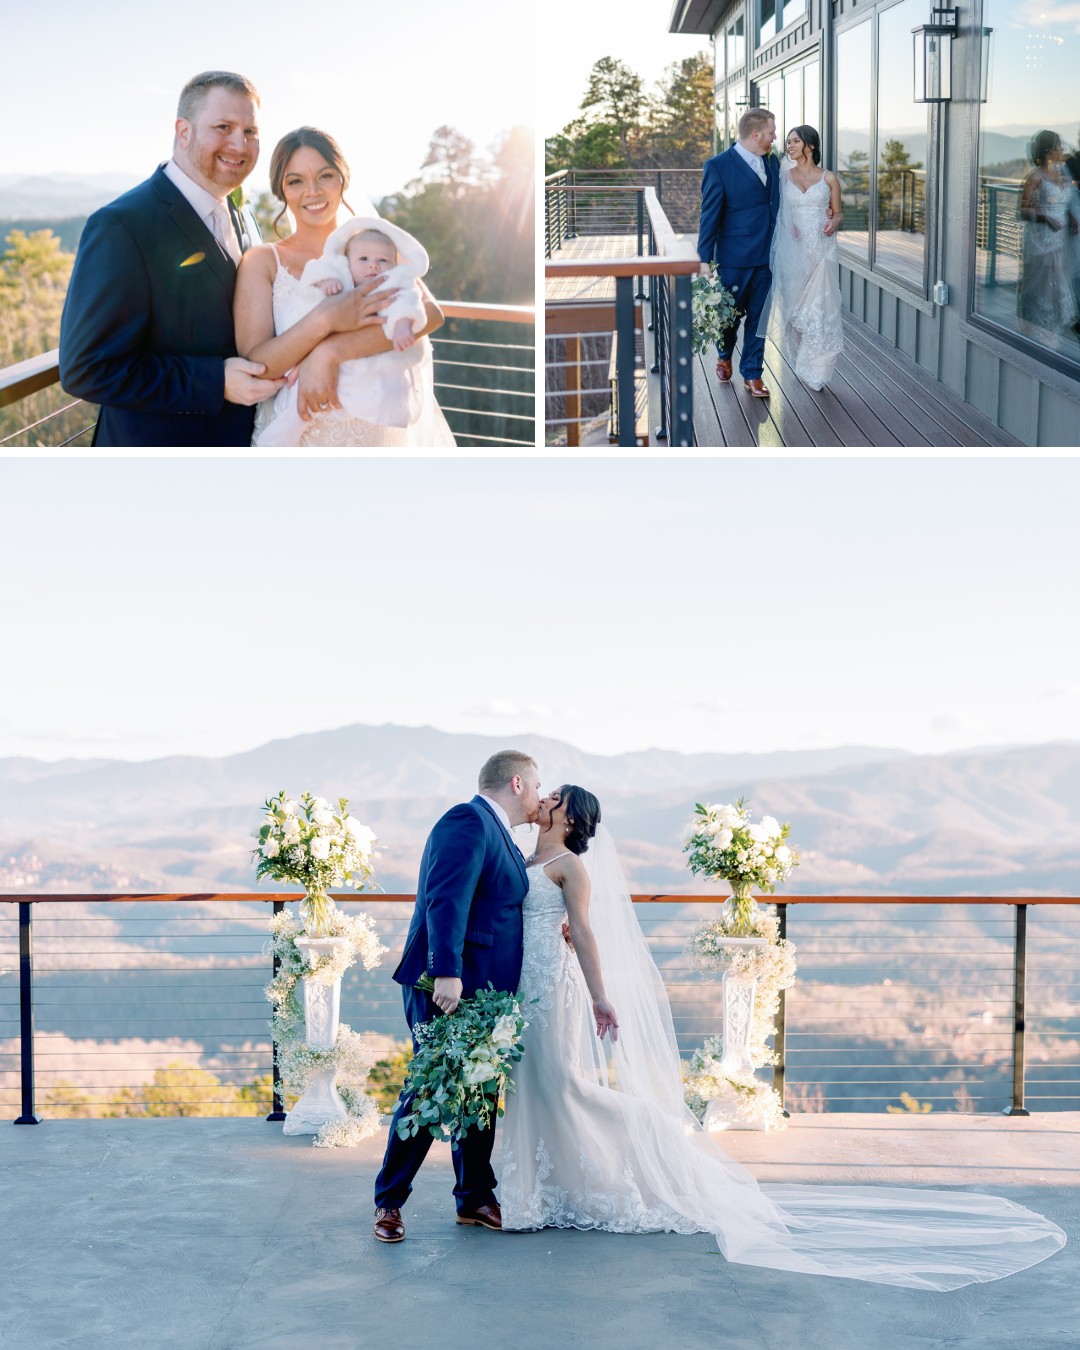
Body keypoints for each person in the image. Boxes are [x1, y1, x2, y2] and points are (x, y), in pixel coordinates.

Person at [498, 785, 1066, 1290]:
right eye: (546, 797)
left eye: (556, 800)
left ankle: (654, 1138)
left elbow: (589, 933)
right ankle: (551, 1189)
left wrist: (600, 996)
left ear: (572, 819)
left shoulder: (571, 866)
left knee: (562, 1083)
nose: (544, 800)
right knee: (536, 1085)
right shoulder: (529, 854)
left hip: (557, 990)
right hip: (525, 985)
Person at [59, 70, 284, 447]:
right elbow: (88, 369)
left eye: (250, 132)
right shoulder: (121, 225)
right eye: (224, 127)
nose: (240, 145)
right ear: (183, 131)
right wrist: (215, 381)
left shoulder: (241, 214)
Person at [372, 750, 542, 1243]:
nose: (538, 796)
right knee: (431, 1088)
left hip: (487, 991)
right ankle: (389, 1202)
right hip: (448, 986)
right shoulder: (466, 820)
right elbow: (447, 898)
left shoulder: (501, 834)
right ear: (516, 784)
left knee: (480, 1089)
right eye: (536, 786)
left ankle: (474, 1198)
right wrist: (445, 972)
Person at [233, 127, 446, 448]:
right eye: (296, 181)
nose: (313, 191)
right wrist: (325, 320)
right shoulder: (263, 261)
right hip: (300, 440)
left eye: (325, 176)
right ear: (281, 189)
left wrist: (329, 353)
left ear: (343, 178)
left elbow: (429, 312)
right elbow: (258, 365)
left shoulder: (371, 246)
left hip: (373, 431)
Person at [252, 216, 453, 447]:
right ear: (349, 261)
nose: (373, 265)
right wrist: (326, 285)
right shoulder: (338, 270)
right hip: (304, 370)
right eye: (364, 259)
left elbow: (416, 306)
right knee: (296, 402)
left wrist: (402, 326)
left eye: (383, 260)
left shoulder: (391, 281)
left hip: (362, 372)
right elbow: (311, 295)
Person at [696, 108, 781, 399]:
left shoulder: (773, 161)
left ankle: (753, 374)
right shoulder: (718, 166)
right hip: (734, 257)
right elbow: (709, 215)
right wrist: (704, 259)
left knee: (759, 318)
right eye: (771, 132)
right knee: (729, 317)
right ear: (756, 135)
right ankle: (723, 354)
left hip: (768, 257)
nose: (775, 137)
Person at [759, 125, 844, 391]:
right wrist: (787, 224)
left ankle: (819, 369)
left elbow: (839, 214)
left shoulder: (829, 178)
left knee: (821, 310)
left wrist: (834, 223)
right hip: (793, 252)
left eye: (796, 141)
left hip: (822, 251)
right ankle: (800, 360)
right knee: (795, 311)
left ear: (811, 146)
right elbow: (774, 209)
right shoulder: (783, 176)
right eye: (788, 141)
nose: (790, 145)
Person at [1018, 130, 1076, 337]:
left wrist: (1071, 217)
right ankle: (1035, 327)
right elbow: (1023, 210)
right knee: (1041, 283)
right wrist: (1046, 219)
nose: (1062, 150)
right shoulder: (1035, 177)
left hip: (1060, 237)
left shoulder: (1061, 173)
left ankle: (1055, 327)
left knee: (1058, 280)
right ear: (1048, 151)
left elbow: (1064, 200)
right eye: (1058, 146)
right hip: (1041, 238)